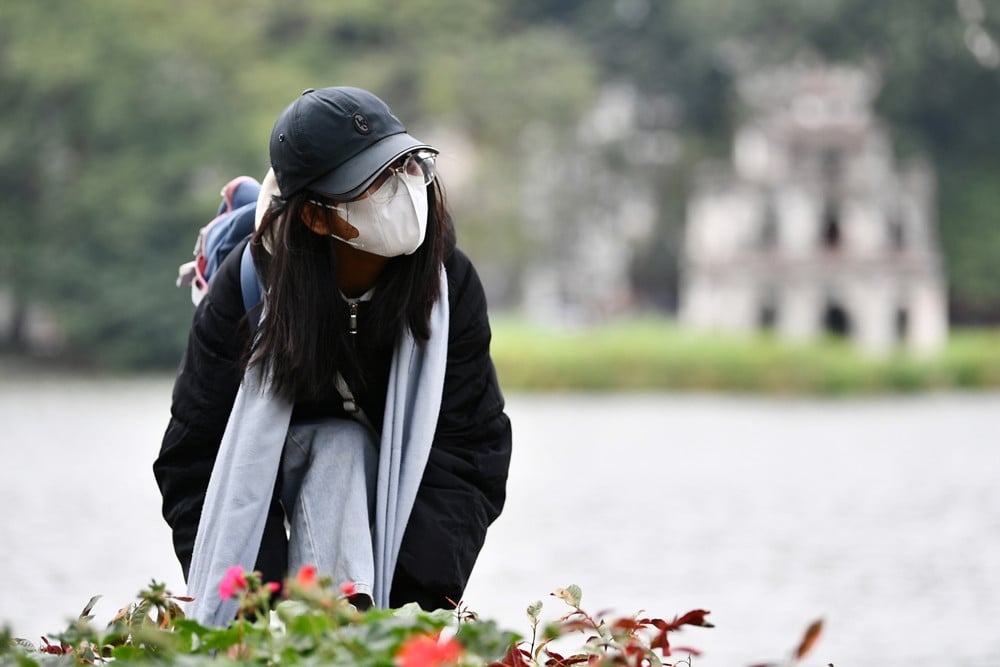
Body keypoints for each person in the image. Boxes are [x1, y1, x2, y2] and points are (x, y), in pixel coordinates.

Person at [153, 86, 512, 625]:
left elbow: (468, 450)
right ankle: (320, 634)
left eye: (405, 167)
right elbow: (194, 460)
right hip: (272, 465)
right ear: (316, 218)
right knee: (334, 444)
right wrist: (260, 612)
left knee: (343, 451)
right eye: (373, 184)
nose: (403, 191)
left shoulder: (446, 286)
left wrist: (410, 614)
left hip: (378, 485)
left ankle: (349, 628)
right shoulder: (245, 293)